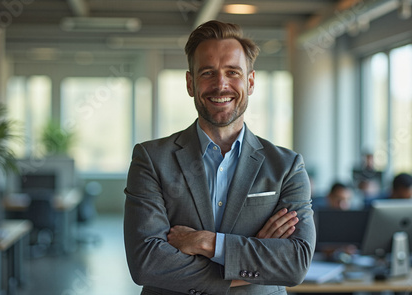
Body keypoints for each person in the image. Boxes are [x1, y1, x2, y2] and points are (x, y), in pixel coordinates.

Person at [123, 20, 315, 295]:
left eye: (233, 72)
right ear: (190, 83)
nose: (221, 84)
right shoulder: (151, 159)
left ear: (250, 82)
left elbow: (295, 263)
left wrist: (208, 243)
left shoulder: (287, 166)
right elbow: (146, 263)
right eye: (208, 73)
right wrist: (250, 260)